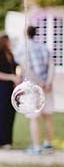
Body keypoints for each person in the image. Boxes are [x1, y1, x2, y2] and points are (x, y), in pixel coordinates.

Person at [24, 25, 55, 155]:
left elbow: (27, 69)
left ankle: (36, 147)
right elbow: (52, 65)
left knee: (34, 118)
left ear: (25, 33)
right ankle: (48, 145)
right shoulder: (43, 47)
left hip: (33, 88)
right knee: (48, 117)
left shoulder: (24, 48)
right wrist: (47, 82)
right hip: (47, 88)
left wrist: (39, 83)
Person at [0, 35, 19, 148]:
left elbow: (16, 67)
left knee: (11, 113)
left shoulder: (10, 54)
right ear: (4, 42)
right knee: (2, 113)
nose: (10, 44)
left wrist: (17, 77)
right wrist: (11, 77)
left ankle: (8, 140)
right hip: (1, 87)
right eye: (9, 42)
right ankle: (2, 141)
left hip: (12, 88)